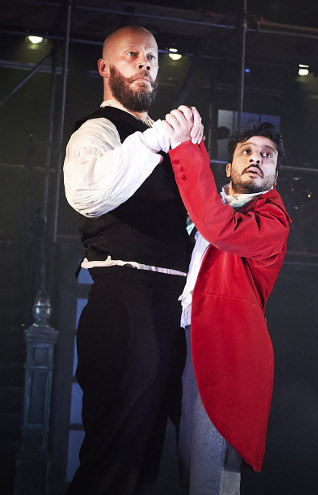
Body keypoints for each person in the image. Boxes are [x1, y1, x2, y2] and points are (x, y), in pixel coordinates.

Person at [62, 25, 203, 494]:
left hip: (169, 306)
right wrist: (158, 137)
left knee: (146, 460)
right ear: (105, 68)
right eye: (132, 55)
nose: (145, 63)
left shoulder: (158, 139)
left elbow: (179, 223)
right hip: (126, 299)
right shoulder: (99, 129)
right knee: (115, 458)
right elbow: (86, 193)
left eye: (152, 57)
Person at [164, 117, 291, 494]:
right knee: (188, 465)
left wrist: (189, 149)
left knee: (211, 470)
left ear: (275, 172)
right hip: (189, 340)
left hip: (227, 350)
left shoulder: (272, 219)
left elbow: (219, 228)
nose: (256, 158)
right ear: (230, 166)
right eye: (247, 152)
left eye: (266, 155)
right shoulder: (207, 206)